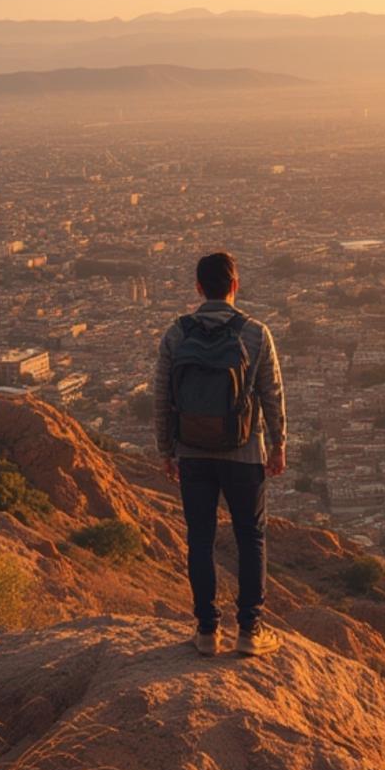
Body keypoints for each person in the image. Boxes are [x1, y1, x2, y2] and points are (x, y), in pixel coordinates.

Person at [154, 250, 286, 657]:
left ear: (198, 287)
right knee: (250, 537)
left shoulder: (176, 334)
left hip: (192, 451)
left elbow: (162, 398)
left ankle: (207, 631)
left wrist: (166, 450)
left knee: (200, 539)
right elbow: (271, 395)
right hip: (244, 452)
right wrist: (279, 444)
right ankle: (250, 631)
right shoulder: (255, 333)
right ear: (235, 285)